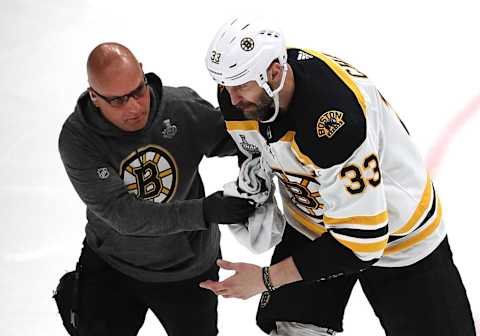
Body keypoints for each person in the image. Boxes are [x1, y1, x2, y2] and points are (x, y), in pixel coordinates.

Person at [200, 18, 476, 336]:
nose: (232, 99)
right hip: (313, 223)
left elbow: (361, 243)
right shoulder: (244, 94)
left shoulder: (332, 120)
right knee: (288, 328)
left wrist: (265, 278)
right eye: (224, 84)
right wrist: (252, 188)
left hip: (398, 239)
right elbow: (257, 145)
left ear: (274, 72)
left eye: (240, 85)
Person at [58, 42, 255, 336]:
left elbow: (242, 140)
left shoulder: (181, 109)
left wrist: (255, 128)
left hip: (188, 270)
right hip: (112, 266)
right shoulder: (79, 139)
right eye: (118, 100)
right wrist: (203, 211)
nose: (134, 107)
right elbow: (122, 213)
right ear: (94, 96)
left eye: (138, 90)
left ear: (142, 73)